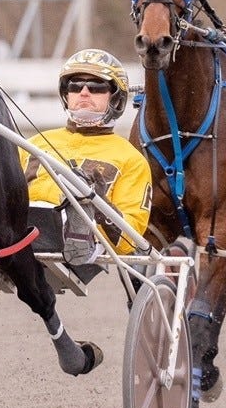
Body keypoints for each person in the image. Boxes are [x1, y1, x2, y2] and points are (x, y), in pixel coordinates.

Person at [19, 49, 152, 268]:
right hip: (25, 221)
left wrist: (99, 204)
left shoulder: (131, 159)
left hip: (87, 239)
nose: (83, 92)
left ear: (115, 97)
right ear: (66, 94)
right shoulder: (34, 143)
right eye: (74, 86)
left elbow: (130, 240)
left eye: (96, 87)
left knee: (78, 191)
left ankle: (79, 227)